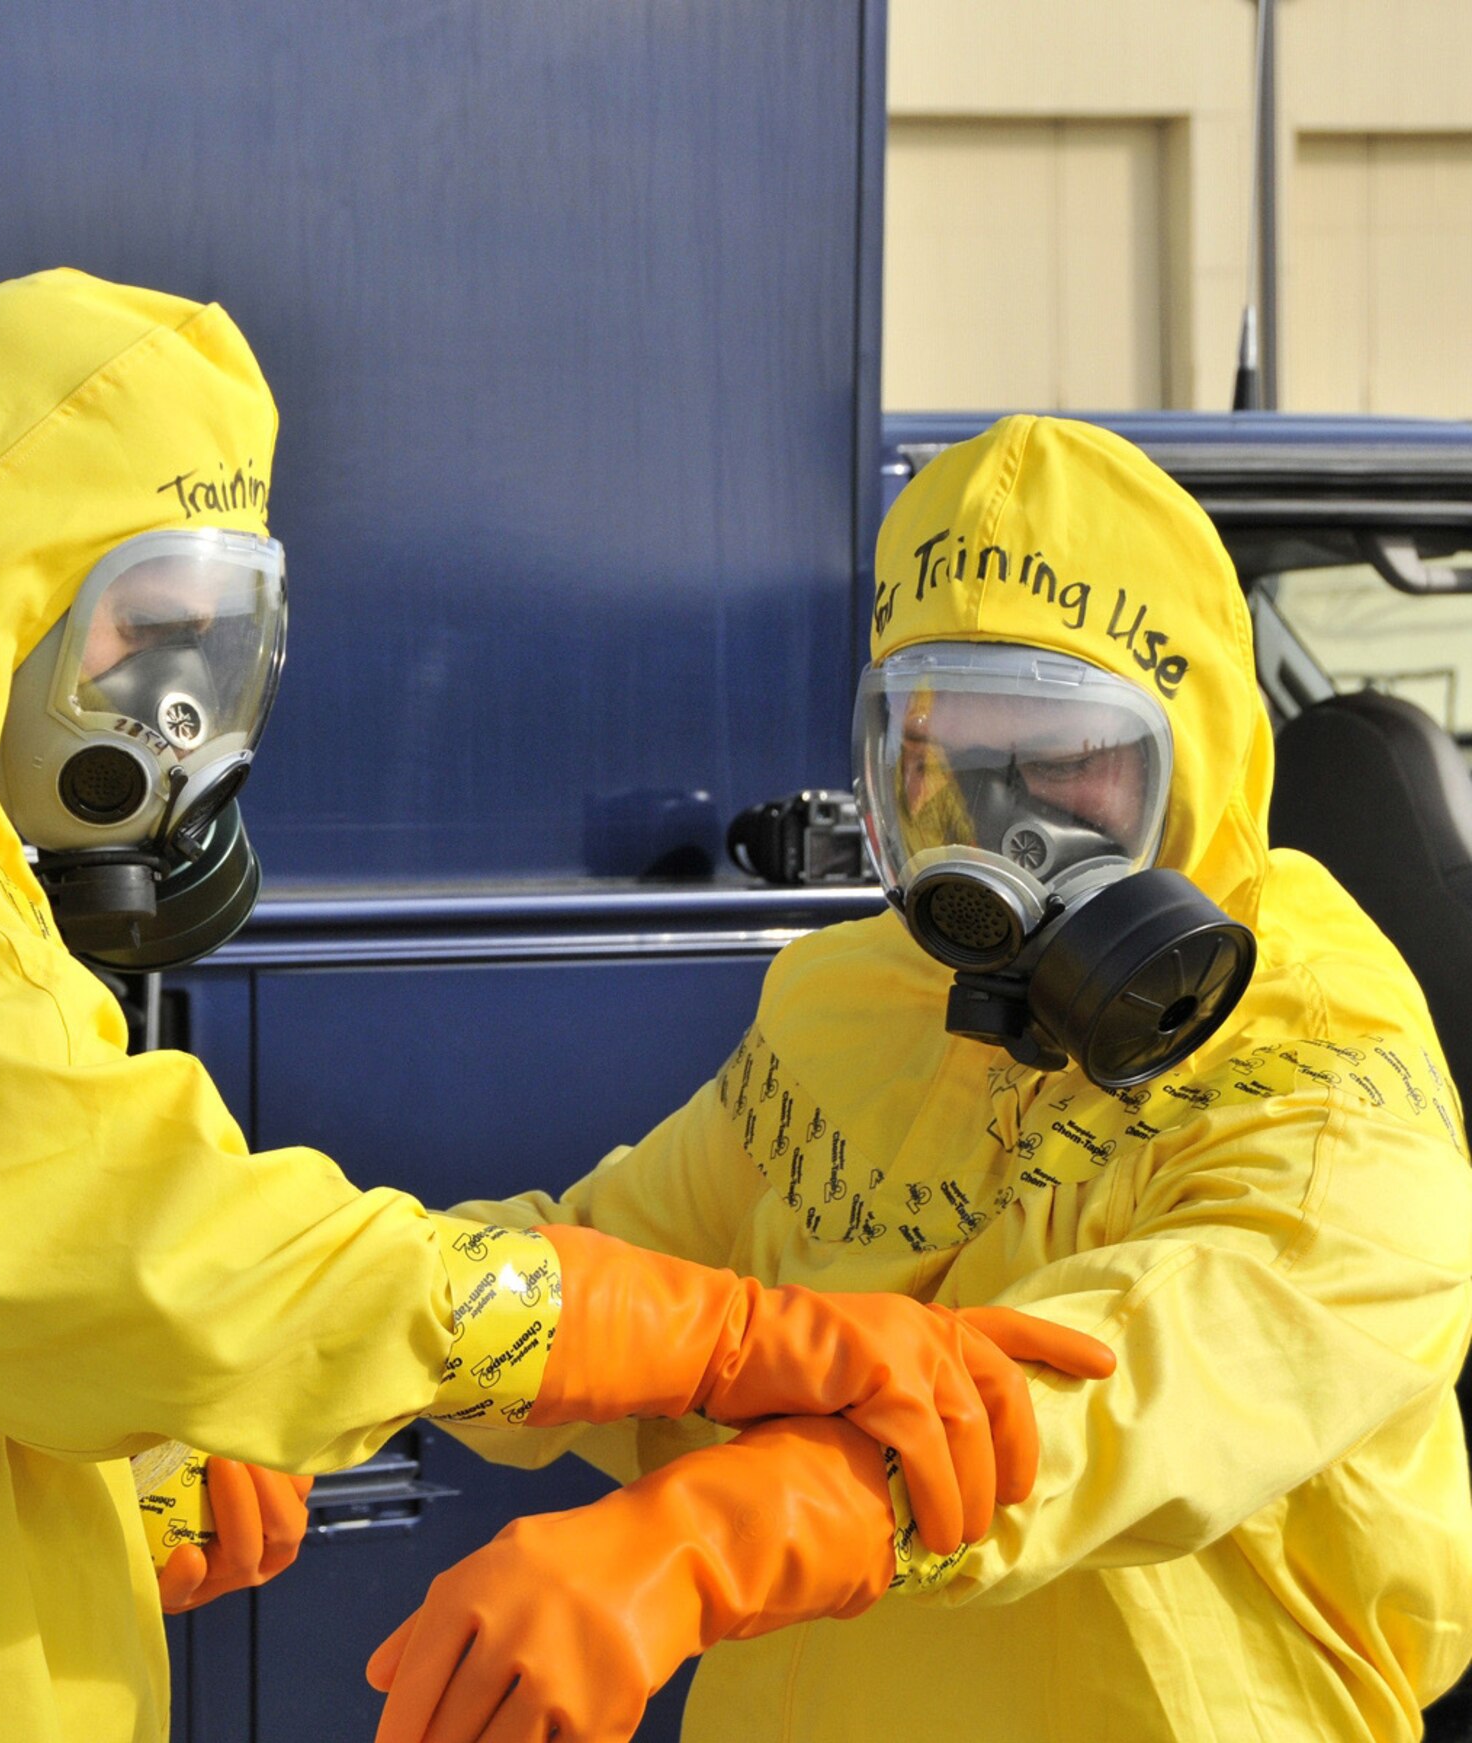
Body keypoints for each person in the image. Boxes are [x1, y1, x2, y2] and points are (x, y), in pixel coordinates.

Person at [0, 275, 1110, 1743]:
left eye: (212, 647)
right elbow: (109, 1234)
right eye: (145, 632)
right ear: (4, 556)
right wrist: (720, 1331)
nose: (170, 717)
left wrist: (94, 1490)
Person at [370, 415, 1472, 1743]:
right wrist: (316, 1367)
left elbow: (1126, 1398)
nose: (1008, 843)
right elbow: (607, 1270)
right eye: (948, 769)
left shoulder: (1325, 1067)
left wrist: (719, 1533)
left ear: (1196, 758)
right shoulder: (852, 1002)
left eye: (1067, 768)